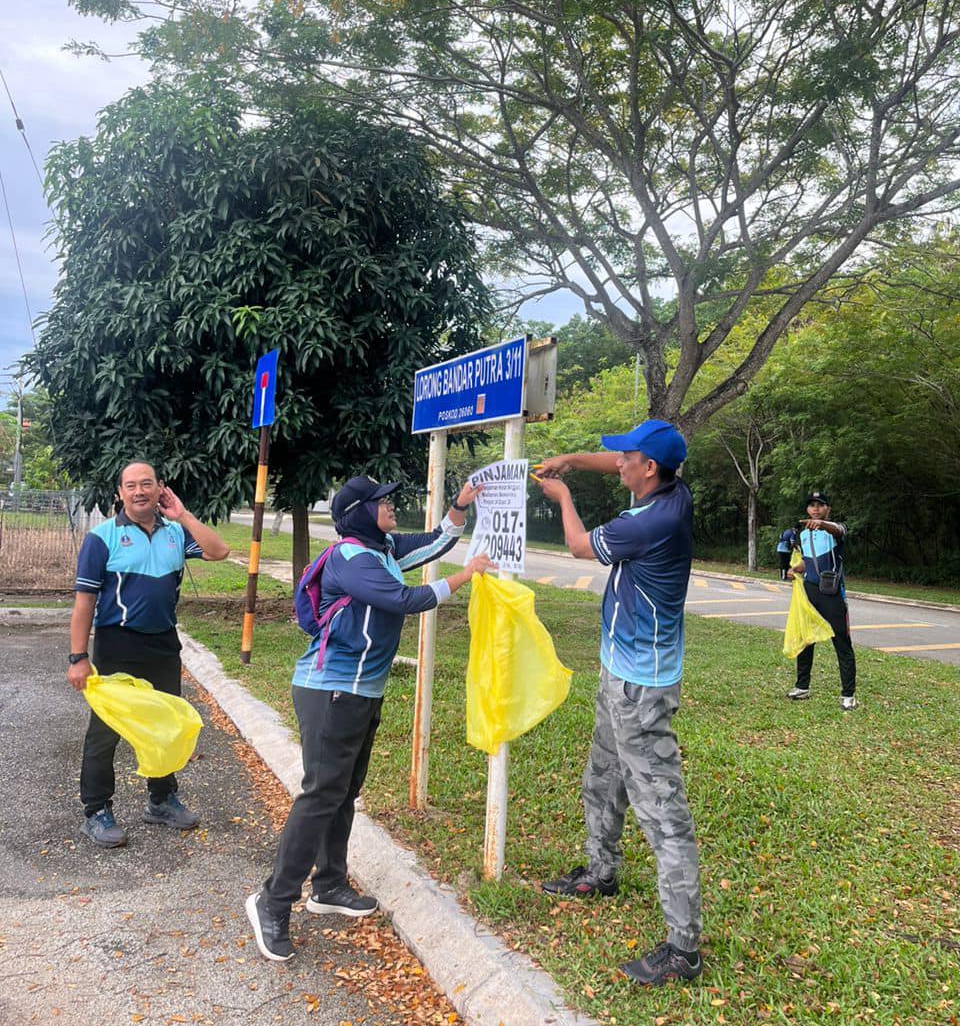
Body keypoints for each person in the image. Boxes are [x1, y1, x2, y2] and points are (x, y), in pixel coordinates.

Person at [246, 474, 492, 962]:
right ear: (361, 511)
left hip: (362, 692)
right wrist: (465, 578)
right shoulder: (351, 558)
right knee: (320, 795)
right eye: (383, 502)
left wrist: (460, 505)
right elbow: (403, 600)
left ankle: (329, 885)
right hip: (331, 691)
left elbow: (437, 542)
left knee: (343, 791)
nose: (391, 507)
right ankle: (272, 901)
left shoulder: (382, 549)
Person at [533, 419, 702, 988]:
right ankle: (599, 873)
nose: (619, 463)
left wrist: (562, 494)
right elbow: (619, 464)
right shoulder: (671, 490)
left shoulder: (646, 522)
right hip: (620, 675)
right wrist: (576, 460)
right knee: (602, 778)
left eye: (626, 458)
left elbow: (581, 548)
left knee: (663, 813)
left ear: (648, 469)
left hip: (641, 688)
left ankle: (683, 948)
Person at [68, 460, 230, 848]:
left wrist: (184, 515)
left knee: (164, 724)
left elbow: (219, 551)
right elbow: (84, 602)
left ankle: (161, 800)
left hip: (163, 644)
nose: (139, 491)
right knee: (106, 731)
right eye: (130, 485)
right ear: (119, 493)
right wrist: (78, 657)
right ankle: (96, 811)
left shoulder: (175, 532)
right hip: (117, 645)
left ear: (161, 488)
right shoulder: (102, 538)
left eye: (147, 484)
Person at [786, 491, 857, 710]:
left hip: (832, 592)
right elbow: (809, 561)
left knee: (842, 641)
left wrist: (822, 524)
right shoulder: (803, 535)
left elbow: (838, 530)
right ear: (807, 509)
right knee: (806, 639)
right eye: (812, 506)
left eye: (820, 505)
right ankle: (802, 686)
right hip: (810, 591)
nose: (815, 509)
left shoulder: (835, 530)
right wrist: (796, 568)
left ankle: (848, 695)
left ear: (827, 509)